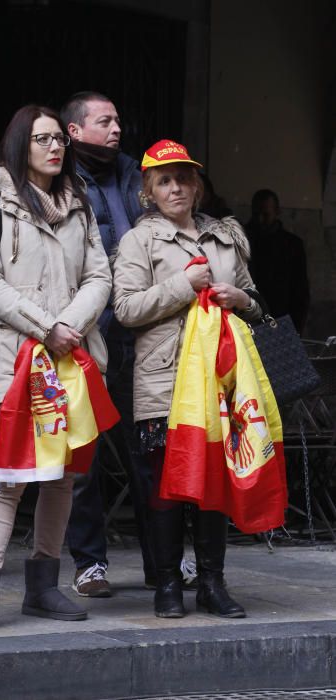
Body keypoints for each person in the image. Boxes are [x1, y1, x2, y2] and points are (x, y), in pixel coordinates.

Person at [0, 104, 112, 635]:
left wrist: (68, 326)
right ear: (20, 144)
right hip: (19, 362)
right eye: (41, 139)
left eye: (57, 139)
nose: (54, 147)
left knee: (63, 477)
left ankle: (43, 587)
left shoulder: (79, 204)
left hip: (73, 359)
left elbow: (100, 278)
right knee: (8, 477)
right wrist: (48, 329)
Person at [112, 139, 264, 619]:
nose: (175, 187)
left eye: (183, 178)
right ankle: (168, 584)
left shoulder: (225, 237)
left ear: (196, 185)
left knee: (214, 485)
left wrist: (241, 300)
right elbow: (125, 310)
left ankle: (213, 584)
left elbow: (256, 301)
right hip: (164, 382)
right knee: (165, 488)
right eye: (164, 181)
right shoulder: (140, 241)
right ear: (149, 192)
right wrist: (184, 286)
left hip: (220, 382)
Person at [61, 91, 163, 596]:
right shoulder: (58, 175)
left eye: (119, 118)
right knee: (85, 456)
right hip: (87, 331)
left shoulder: (130, 170)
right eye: (105, 120)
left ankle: (161, 561)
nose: (117, 127)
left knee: (149, 450)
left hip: (139, 331)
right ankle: (90, 563)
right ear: (75, 131)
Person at [245, 189, 310, 334]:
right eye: (257, 214)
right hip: (249, 319)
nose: (260, 219)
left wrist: (297, 327)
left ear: (277, 212)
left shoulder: (291, 245)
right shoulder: (244, 242)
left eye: (265, 214)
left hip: (281, 320)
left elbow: (300, 290)